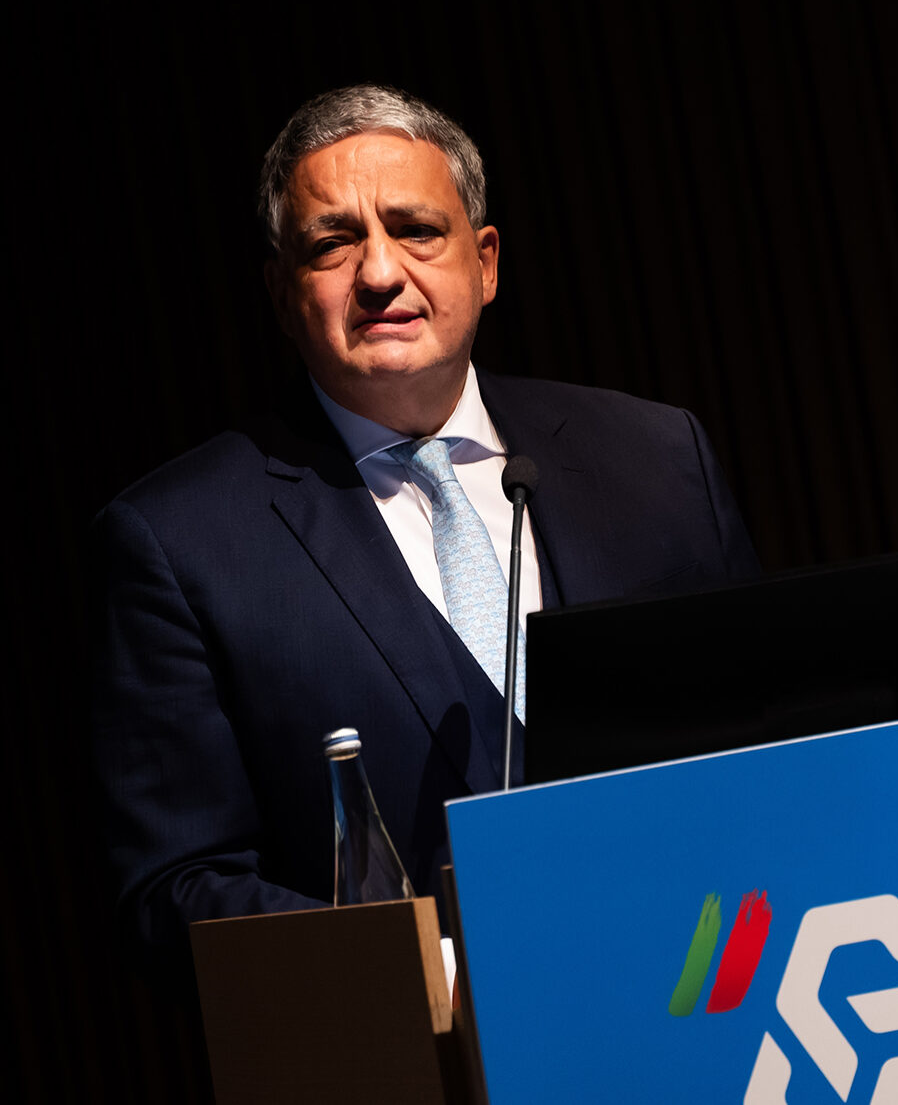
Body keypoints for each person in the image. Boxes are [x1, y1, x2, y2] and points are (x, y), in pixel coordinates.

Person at [91, 85, 758, 965]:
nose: (378, 272)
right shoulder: (181, 543)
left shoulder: (658, 458)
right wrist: (422, 966)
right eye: (332, 243)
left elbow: (775, 750)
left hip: (707, 985)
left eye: (415, 230)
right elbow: (176, 887)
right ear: (282, 293)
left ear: (485, 262)